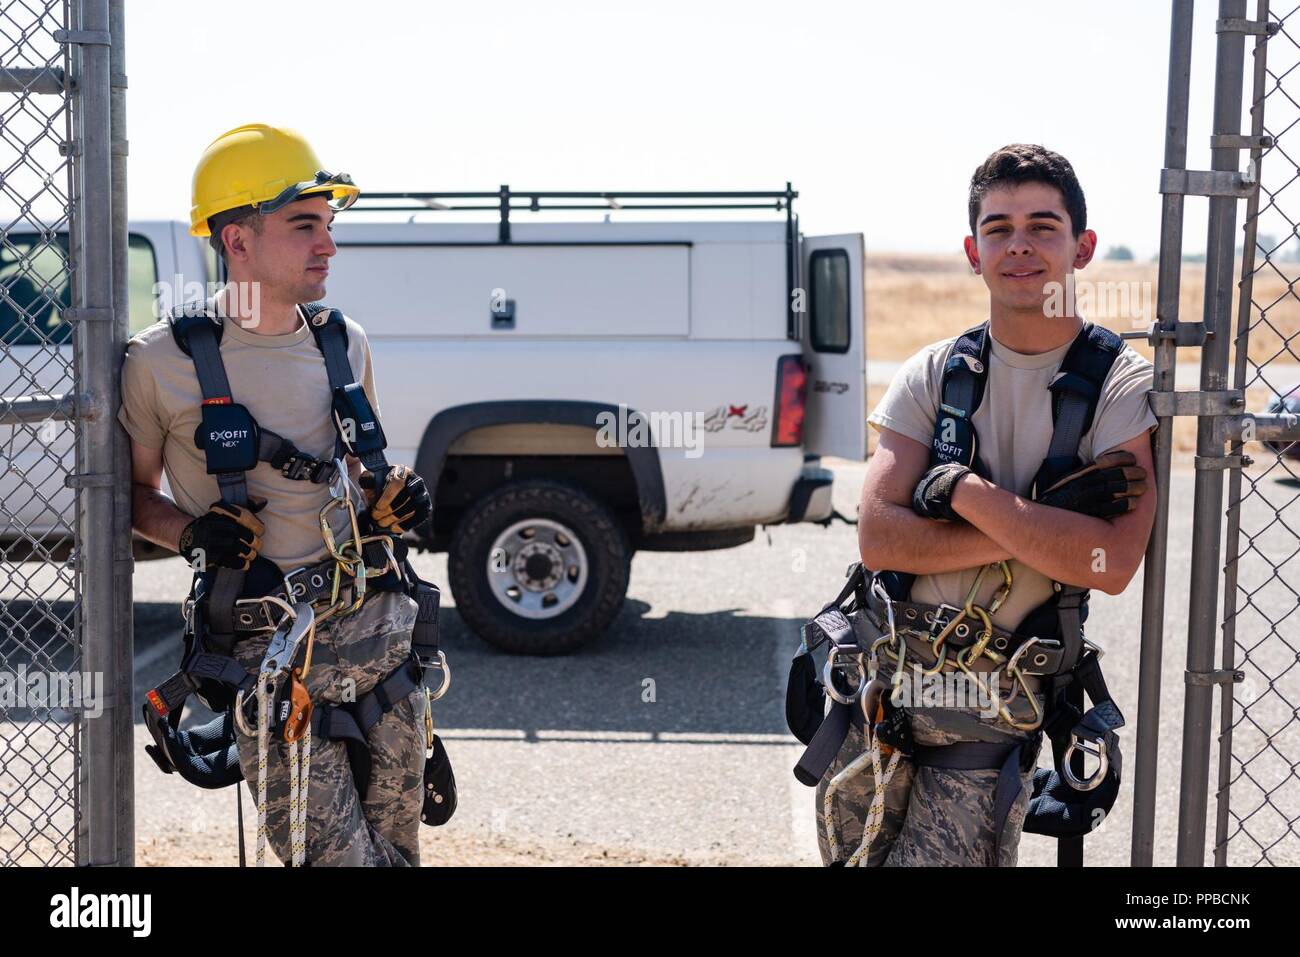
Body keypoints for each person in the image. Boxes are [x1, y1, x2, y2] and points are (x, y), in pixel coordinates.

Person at [816, 144, 1157, 866]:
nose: (1020, 245)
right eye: (998, 228)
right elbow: (878, 537)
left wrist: (962, 493)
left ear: (1082, 247)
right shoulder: (936, 372)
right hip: (883, 686)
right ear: (973, 252)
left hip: (994, 704)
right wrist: (1042, 519)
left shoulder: (1121, 386)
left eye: (1043, 225)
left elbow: (1112, 559)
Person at [119, 124, 437, 866]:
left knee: (398, 854)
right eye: (304, 225)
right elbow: (132, 500)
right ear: (237, 240)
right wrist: (195, 534)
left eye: (329, 225)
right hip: (273, 663)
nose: (328, 245)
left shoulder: (342, 340)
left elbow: (358, 471)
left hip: (383, 646)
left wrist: (390, 494)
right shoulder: (160, 362)